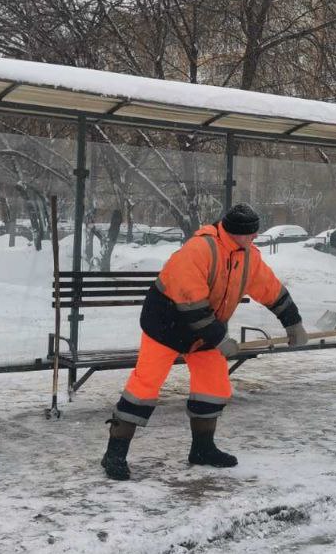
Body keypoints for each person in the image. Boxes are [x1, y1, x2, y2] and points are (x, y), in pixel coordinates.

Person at [102, 203, 307, 481]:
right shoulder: (199, 250)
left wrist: (292, 322)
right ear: (236, 233)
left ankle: (202, 449)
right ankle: (114, 453)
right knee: (144, 386)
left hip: (206, 327)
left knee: (213, 385)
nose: (254, 239)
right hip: (166, 324)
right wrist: (219, 338)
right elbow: (190, 304)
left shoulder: (248, 257)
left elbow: (270, 289)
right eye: (251, 235)